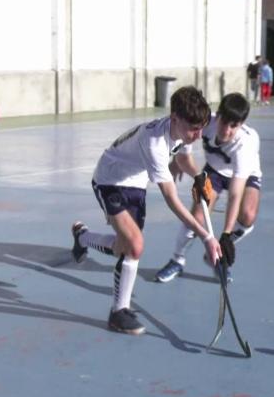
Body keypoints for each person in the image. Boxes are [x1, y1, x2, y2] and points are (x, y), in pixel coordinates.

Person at [70, 86, 225, 335]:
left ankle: (82, 237)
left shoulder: (183, 132)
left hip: (136, 183)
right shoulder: (154, 143)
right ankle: (118, 312)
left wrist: (198, 177)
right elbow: (171, 199)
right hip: (110, 179)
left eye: (201, 128)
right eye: (193, 129)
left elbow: (184, 159)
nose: (198, 136)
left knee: (125, 247)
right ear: (174, 118)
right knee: (135, 245)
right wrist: (207, 236)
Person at [155, 93, 261, 284]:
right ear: (217, 115)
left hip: (246, 174)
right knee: (196, 218)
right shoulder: (206, 123)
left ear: (242, 124)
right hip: (214, 170)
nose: (226, 130)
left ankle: (219, 249)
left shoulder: (246, 144)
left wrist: (226, 235)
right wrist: (178, 162)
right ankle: (177, 260)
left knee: (247, 216)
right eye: (223, 122)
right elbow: (182, 138)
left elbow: (235, 194)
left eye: (233, 126)